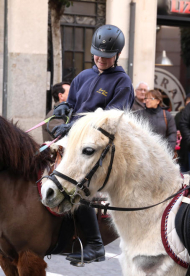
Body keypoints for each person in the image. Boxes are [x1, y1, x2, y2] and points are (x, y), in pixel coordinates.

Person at [50, 24, 134, 264]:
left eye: (106, 56)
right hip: (76, 137)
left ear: (116, 55)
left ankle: (95, 245)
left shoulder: (122, 82)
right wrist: (65, 109)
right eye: (97, 54)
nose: (100, 59)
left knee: (75, 181)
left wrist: (74, 126)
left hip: (100, 145)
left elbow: (109, 121)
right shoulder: (83, 76)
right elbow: (74, 106)